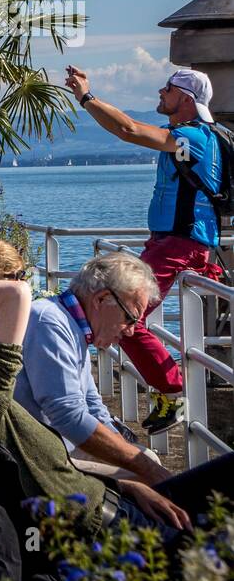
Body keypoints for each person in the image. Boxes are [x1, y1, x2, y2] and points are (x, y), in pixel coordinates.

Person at [0, 272, 234, 544]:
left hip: (103, 499)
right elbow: (17, 293)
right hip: (101, 522)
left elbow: (46, 472)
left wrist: (126, 485)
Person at [64, 64, 225, 433]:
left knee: (125, 318)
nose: (159, 93)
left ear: (185, 98)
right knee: (124, 312)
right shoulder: (190, 136)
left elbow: (129, 129)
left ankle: (172, 392)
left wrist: (86, 97)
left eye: (166, 89)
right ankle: (168, 389)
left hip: (179, 245)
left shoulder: (194, 138)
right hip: (177, 243)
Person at [8, 248, 173, 485]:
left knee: (145, 460)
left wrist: (129, 452)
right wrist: (141, 465)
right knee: (148, 477)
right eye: (130, 317)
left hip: (54, 446)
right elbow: (68, 415)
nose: (131, 330)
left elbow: (93, 406)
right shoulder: (50, 323)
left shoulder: (70, 324)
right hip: (37, 458)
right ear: (101, 299)